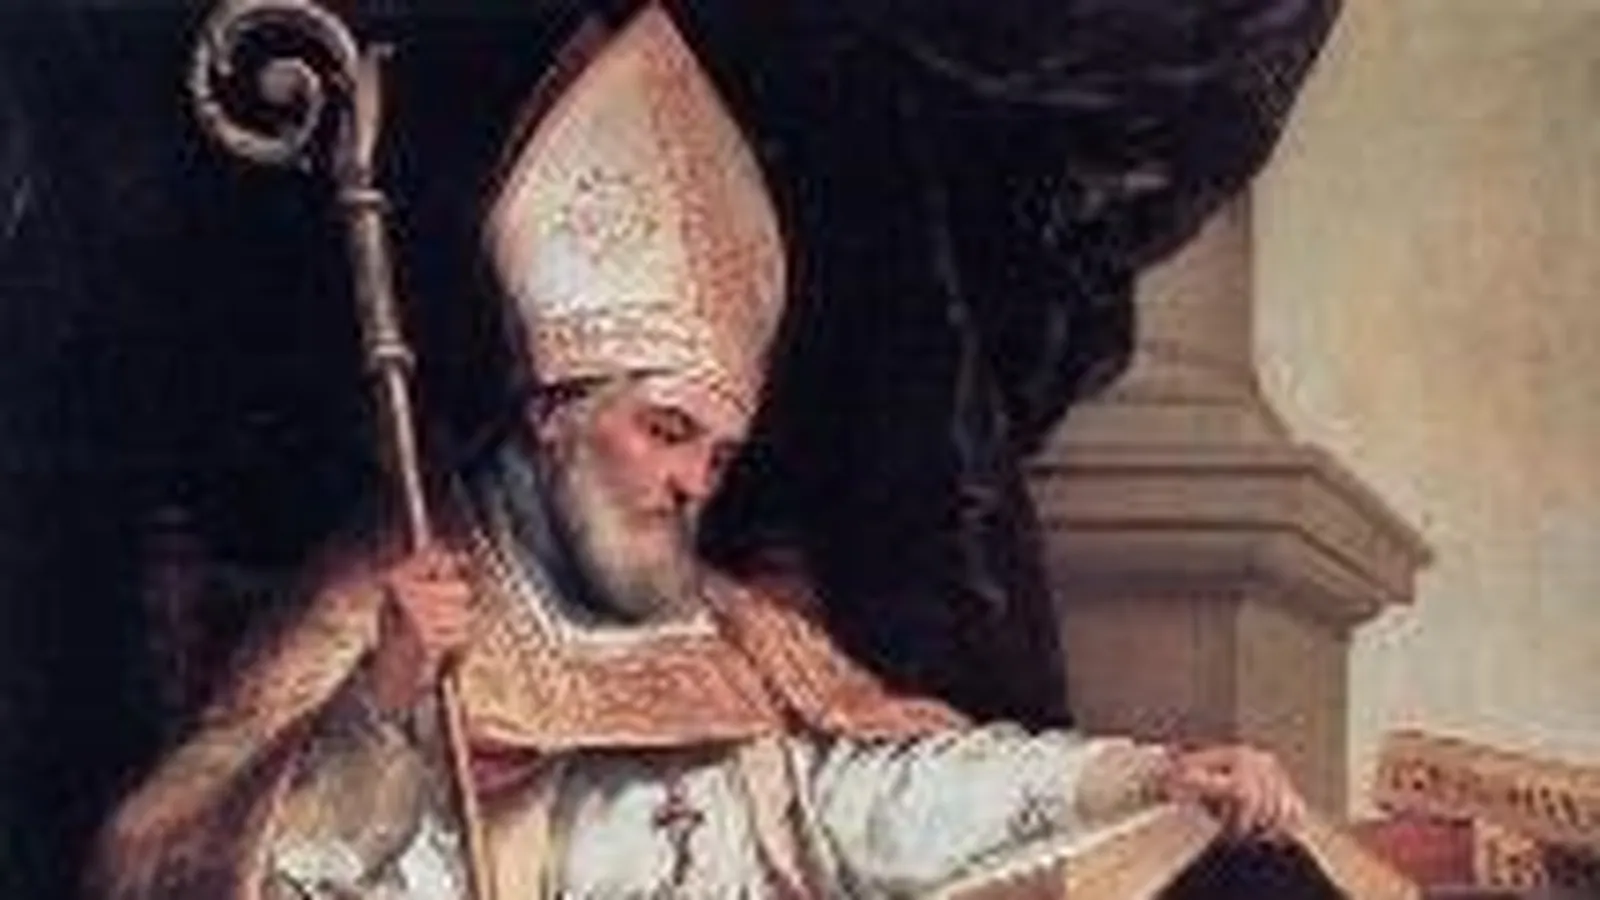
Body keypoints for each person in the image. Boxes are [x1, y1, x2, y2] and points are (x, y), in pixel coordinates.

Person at [95, 6, 1309, 898]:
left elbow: (886, 804)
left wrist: (1152, 779)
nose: (691, 484)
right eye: (667, 431)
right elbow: (181, 868)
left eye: (718, 458)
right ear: (551, 411)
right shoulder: (392, 607)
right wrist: (386, 710)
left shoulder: (735, 638)